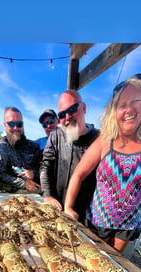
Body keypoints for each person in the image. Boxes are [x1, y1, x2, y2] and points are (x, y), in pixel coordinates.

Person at [64, 75, 141, 253]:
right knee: (92, 261)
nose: (129, 109)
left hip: (129, 225)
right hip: (97, 222)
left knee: (114, 263)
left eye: (135, 101)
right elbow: (78, 174)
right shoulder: (105, 141)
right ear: (114, 111)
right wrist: (68, 207)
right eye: (122, 105)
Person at [39, 89, 100, 224]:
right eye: (62, 114)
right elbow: (45, 166)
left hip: (85, 216)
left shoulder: (99, 138)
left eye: (72, 109)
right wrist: (48, 196)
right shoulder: (56, 135)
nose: (67, 117)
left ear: (83, 108)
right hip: (57, 208)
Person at [0, 106, 41, 192]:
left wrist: (33, 174)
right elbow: (1, 174)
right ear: (5, 125)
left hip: (37, 190)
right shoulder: (2, 147)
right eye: (11, 124)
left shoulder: (34, 146)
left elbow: (43, 169)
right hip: (12, 192)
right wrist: (23, 183)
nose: (16, 127)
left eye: (19, 124)